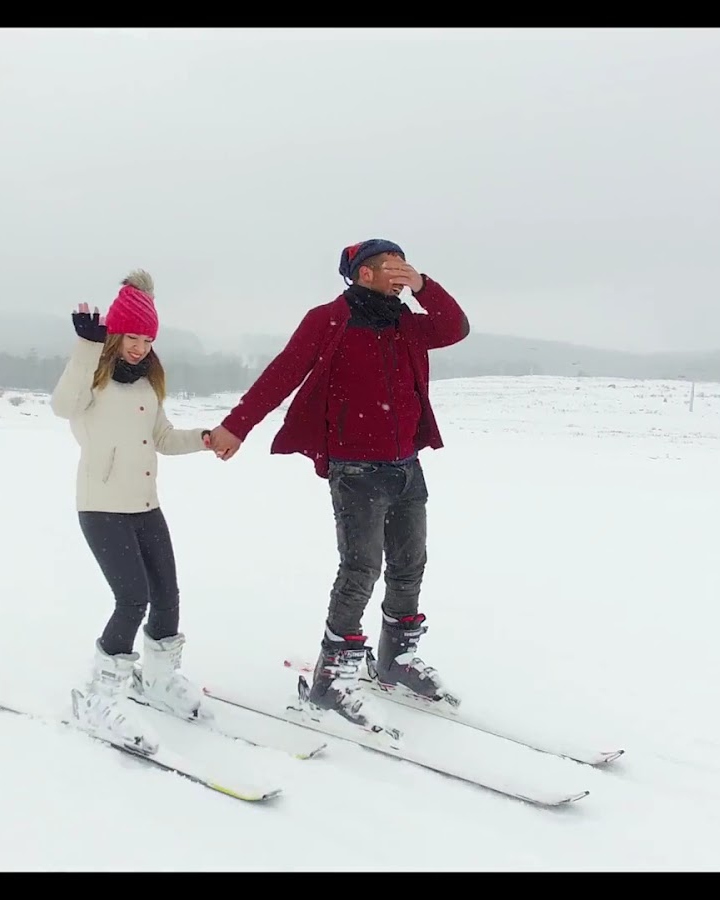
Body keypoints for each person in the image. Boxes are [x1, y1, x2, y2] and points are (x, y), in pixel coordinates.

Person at [205, 239, 470, 731]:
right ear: (362, 274)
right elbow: (281, 374)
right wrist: (236, 426)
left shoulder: (406, 322)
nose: (399, 272)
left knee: (410, 563)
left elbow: (455, 327)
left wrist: (423, 285)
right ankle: (332, 676)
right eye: (389, 266)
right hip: (355, 469)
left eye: (403, 265)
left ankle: (395, 660)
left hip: (406, 463)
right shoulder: (328, 319)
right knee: (361, 569)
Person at [50, 269, 215, 753]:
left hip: (145, 506)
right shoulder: (91, 382)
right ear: (115, 335)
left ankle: (158, 680)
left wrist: (206, 439)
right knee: (132, 598)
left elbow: (162, 439)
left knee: (167, 593)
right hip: (101, 506)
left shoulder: (147, 387)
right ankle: (99, 697)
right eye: (132, 337)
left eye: (147, 339)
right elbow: (62, 406)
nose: (140, 348)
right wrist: (85, 347)